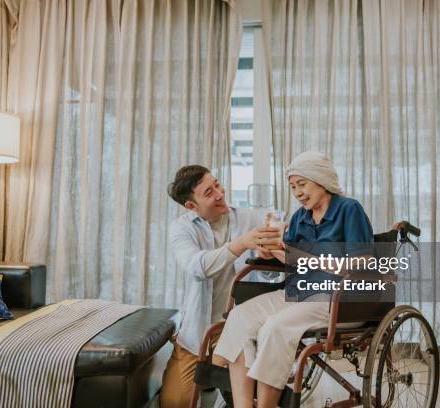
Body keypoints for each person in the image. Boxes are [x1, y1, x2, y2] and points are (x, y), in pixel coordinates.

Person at [213, 151, 374, 408]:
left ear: (321, 179)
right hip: (299, 292)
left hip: (338, 298)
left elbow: (363, 262)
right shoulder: (300, 217)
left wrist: (304, 258)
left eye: (302, 184)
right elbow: (291, 259)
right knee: (239, 317)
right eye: (292, 187)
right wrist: (269, 249)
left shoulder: (349, 209)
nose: (298, 192)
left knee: (274, 327)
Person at [160, 165, 281, 408]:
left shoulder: (250, 218)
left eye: (217, 184)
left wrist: (267, 257)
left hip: (239, 327)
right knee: (174, 402)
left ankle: (226, 385)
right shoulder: (181, 229)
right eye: (208, 192)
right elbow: (198, 267)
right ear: (191, 206)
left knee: (248, 393)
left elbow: (272, 275)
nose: (219, 193)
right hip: (198, 334)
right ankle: (214, 380)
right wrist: (241, 243)